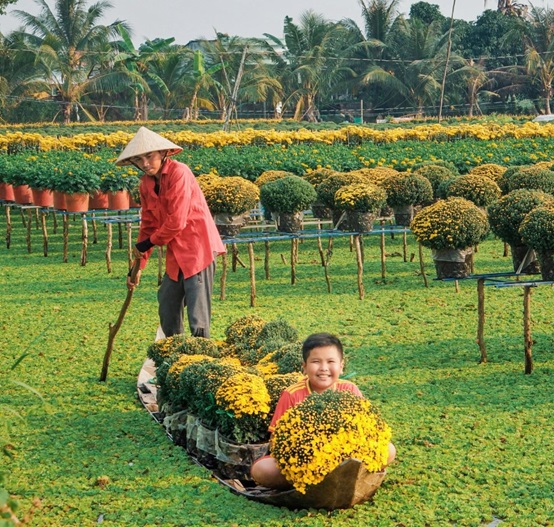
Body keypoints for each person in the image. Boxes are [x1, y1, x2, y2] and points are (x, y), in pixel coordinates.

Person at [117, 126, 226, 338]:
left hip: (198, 248)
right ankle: (176, 353)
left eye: (149, 156)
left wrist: (148, 243)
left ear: (163, 153)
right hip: (176, 253)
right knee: (167, 304)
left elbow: (177, 221)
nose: (146, 164)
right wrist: (138, 266)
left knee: (198, 316)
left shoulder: (179, 173)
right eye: (139, 160)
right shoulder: (146, 184)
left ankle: (200, 358)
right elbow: (148, 224)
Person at [250, 333, 396, 489]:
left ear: (341, 366)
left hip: (346, 456)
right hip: (303, 461)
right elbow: (275, 440)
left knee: (389, 450)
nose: (324, 368)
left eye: (331, 361)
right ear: (304, 366)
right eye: (316, 362)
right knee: (262, 469)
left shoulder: (349, 389)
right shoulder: (292, 394)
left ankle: (328, 480)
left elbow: (368, 429)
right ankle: (310, 481)